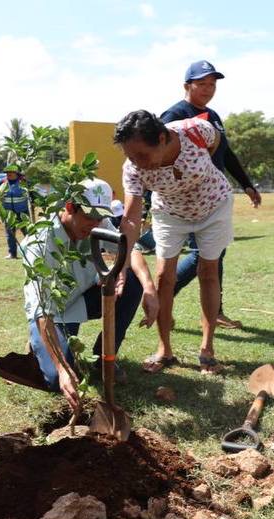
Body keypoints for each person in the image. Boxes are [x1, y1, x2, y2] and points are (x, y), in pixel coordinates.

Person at [114, 109, 234, 375]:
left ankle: (207, 351)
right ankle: (165, 350)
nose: (138, 163)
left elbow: (215, 144)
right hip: (169, 213)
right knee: (163, 276)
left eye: (143, 155)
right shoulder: (133, 168)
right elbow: (132, 218)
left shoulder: (193, 130)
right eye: (131, 157)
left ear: (161, 137)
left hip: (214, 206)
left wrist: (198, 171)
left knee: (208, 272)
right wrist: (120, 265)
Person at [23, 178, 158, 410]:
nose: (94, 224)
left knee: (132, 282)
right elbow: (43, 310)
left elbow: (128, 247)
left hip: (83, 296)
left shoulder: (98, 223)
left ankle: (104, 358)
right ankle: (38, 343)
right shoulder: (41, 243)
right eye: (88, 217)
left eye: (99, 217)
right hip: (52, 313)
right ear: (69, 207)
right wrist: (63, 370)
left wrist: (149, 287)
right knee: (57, 379)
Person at [159, 60, 262, 330]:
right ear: (187, 86)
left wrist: (246, 184)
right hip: (185, 200)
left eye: (212, 84)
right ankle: (165, 299)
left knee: (215, 254)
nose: (208, 89)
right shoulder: (174, 115)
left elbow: (226, 153)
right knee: (200, 256)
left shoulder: (213, 116)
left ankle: (215, 311)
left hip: (212, 198)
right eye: (202, 84)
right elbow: (157, 154)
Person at [0, 163, 30, 258]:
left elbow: (32, 193)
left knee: (28, 233)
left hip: (23, 212)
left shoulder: (23, 182)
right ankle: (12, 254)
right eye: (7, 172)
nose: (9, 174)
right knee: (10, 235)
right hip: (8, 214)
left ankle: (32, 251)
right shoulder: (2, 182)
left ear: (17, 173)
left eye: (11, 172)